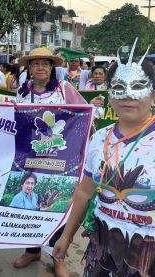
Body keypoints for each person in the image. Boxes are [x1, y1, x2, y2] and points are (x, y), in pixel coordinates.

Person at [53, 42, 155, 276]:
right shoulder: (99, 139)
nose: (128, 95)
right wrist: (66, 237)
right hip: (103, 253)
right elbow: (85, 192)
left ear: (152, 93)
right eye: (119, 87)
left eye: (138, 86)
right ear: (109, 93)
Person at [14, 47, 101, 275]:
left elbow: (85, 115)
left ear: (52, 68)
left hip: (60, 161)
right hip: (31, 159)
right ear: (29, 68)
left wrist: (93, 115)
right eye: (35, 64)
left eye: (45, 63)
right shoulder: (23, 93)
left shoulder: (64, 89)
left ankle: (58, 256)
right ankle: (32, 250)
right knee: (31, 206)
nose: (40, 67)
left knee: (56, 205)